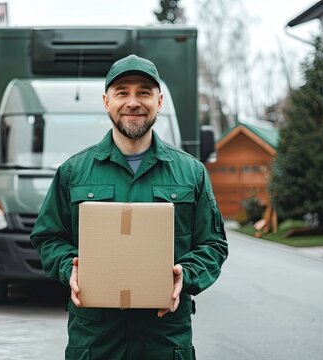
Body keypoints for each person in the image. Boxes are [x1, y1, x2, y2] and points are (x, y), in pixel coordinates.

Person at [30, 54, 228, 360]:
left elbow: (213, 245)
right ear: (106, 101)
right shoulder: (73, 172)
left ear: (159, 102)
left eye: (144, 93)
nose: (133, 102)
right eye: (122, 92)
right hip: (95, 339)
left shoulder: (191, 173)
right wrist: (70, 268)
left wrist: (185, 275)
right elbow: (48, 237)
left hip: (164, 337)